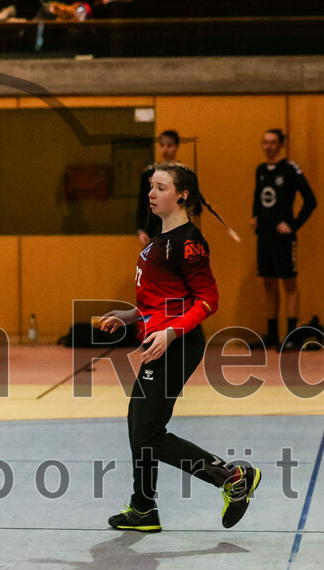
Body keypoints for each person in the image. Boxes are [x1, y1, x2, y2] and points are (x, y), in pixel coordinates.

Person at [98, 162, 261, 532]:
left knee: (148, 432)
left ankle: (232, 477)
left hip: (177, 345)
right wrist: (130, 317)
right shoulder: (159, 241)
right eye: (150, 187)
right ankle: (143, 507)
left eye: (160, 188)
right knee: (139, 424)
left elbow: (207, 300)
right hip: (161, 342)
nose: (151, 194)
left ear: (182, 194)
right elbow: (162, 303)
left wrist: (171, 333)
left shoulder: (188, 243)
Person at [251, 128, 317, 349]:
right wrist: (255, 217)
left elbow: (310, 200)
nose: (268, 146)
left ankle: (291, 336)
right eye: (265, 142)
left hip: (283, 239)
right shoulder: (261, 170)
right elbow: (258, 198)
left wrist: (293, 225)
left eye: (272, 142)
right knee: (268, 283)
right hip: (265, 236)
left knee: (289, 282)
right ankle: (271, 334)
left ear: (280, 145)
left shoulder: (290, 169)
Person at [135, 129, 180, 245]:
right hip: (154, 229)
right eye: (162, 145)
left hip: (177, 229)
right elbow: (142, 203)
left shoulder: (182, 174)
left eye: (169, 145)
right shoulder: (149, 173)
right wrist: (141, 230)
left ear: (176, 147)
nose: (165, 149)